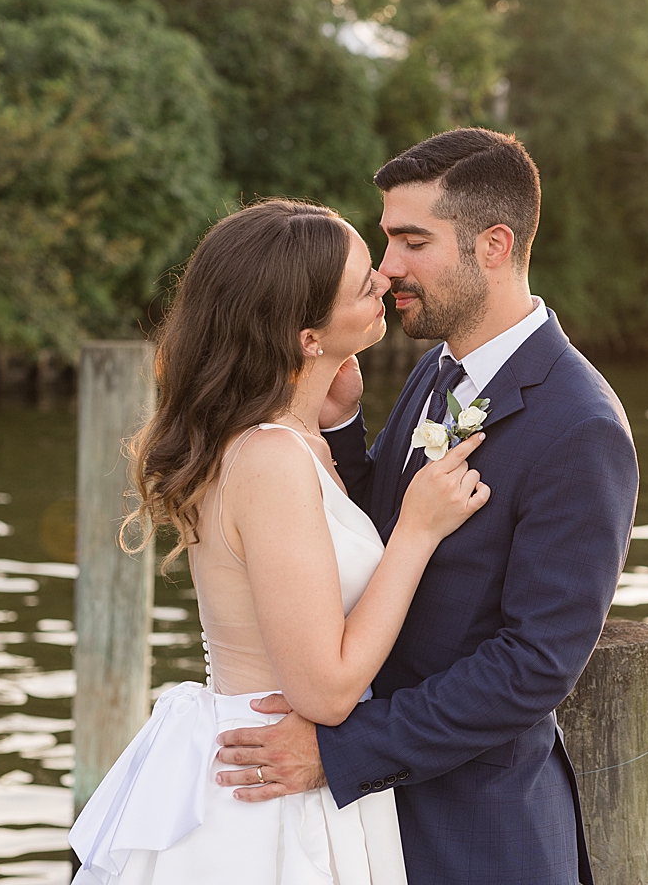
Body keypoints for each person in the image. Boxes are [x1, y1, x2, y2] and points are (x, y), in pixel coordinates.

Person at [212, 129, 640, 885]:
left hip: (476, 833)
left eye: (413, 241)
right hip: (365, 825)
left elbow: (535, 664)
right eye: (387, 240)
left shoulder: (581, 426)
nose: (388, 269)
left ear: (493, 245)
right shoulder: (437, 373)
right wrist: (341, 433)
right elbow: (379, 531)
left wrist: (343, 750)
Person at [68, 199, 491, 884]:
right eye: (362, 286)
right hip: (272, 792)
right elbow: (324, 692)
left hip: (287, 769)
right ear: (306, 337)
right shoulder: (269, 458)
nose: (384, 281)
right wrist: (416, 532)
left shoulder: (290, 440)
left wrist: (338, 420)